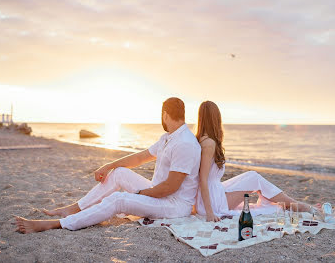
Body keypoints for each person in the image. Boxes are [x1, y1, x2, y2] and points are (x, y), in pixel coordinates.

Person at [15, 97, 201, 233]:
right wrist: (108, 165)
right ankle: (75, 208)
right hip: (158, 194)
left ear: (165, 115)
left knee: (118, 200)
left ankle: (58, 223)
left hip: (174, 205)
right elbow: (140, 157)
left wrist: (139, 194)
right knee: (119, 172)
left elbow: (170, 187)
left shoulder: (184, 143)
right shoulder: (168, 138)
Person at [195, 101, 320, 222]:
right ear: (216, 118)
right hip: (214, 202)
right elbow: (203, 179)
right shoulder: (209, 144)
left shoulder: (204, 139)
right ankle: (296, 204)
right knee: (255, 179)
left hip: (215, 192)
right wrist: (210, 213)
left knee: (252, 175)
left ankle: (291, 203)